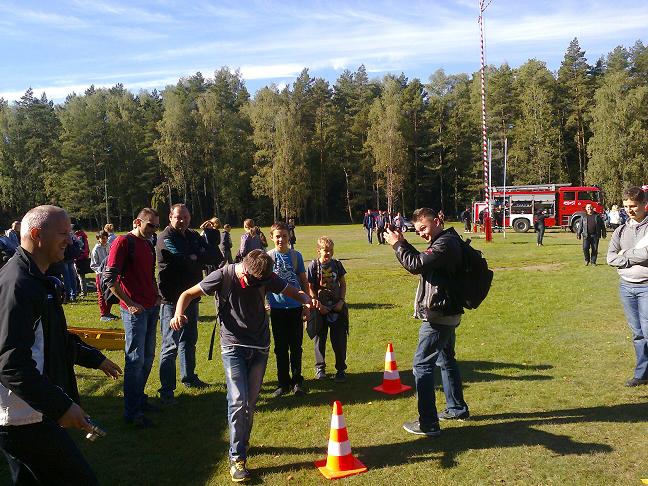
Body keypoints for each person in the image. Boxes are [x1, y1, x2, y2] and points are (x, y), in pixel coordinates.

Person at [0, 205, 122, 485]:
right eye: (63, 233)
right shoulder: (18, 285)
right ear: (36, 235)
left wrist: (95, 358)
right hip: (24, 416)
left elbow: (54, 337)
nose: (72, 239)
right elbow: (10, 365)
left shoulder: (37, 279)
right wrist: (61, 407)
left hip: (35, 410)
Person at [169, 249, 312, 482]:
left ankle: (242, 444)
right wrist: (178, 314)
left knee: (250, 403)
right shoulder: (222, 275)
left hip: (260, 346)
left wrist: (307, 300)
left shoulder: (266, 276)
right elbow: (188, 294)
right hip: (233, 345)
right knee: (237, 401)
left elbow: (291, 291)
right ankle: (237, 458)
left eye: (262, 284)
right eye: (254, 282)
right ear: (244, 270)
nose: (259, 286)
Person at [384, 207, 469, 437]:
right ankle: (457, 408)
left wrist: (397, 244)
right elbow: (423, 261)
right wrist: (403, 243)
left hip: (439, 316)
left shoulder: (445, 244)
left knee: (422, 366)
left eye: (424, 227)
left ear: (438, 221)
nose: (421, 233)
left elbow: (416, 265)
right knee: (446, 359)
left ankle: (429, 423)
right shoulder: (446, 241)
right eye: (418, 230)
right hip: (448, 313)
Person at [157, 204, 221, 404]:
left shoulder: (192, 235)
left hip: (192, 298)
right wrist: (196, 255)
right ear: (170, 217)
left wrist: (198, 253)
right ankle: (167, 391)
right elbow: (182, 260)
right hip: (171, 300)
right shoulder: (165, 237)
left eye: (185, 217)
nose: (182, 220)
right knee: (170, 346)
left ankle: (189, 378)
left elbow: (213, 255)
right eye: (178, 217)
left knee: (189, 340)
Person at [104, 207, 161, 427]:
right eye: (150, 225)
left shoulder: (148, 243)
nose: (154, 230)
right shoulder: (123, 242)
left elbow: (149, 274)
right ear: (138, 222)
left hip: (150, 307)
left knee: (147, 357)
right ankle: (132, 411)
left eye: (157, 226)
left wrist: (156, 295)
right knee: (135, 360)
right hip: (134, 311)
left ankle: (139, 399)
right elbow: (109, 279)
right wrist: (129, 303)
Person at [607, 186, 648, 387]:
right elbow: (610, 258)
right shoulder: (620, 230)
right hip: (626, 287)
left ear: (644, 204)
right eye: (626, 207)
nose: (629, 210)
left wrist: (624, 254)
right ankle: (642, 373)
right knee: (638, 334)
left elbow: (646, 253)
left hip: (646, 287)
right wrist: (632, 257)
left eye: (633, 206)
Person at [267, 221, 309, 397]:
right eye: (278, 236)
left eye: (284, 236)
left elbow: (304, 281)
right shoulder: (267, 257)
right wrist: (264, 303)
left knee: (296, 346)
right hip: (277, 309)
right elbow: (262, 284)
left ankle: (297, 381)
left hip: (295, 308)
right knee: (280, 348)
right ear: (271, 237)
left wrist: (306, 305)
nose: (281, 239)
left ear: (289, 236)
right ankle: (283, 383)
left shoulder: (296, 256)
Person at [307, 236, 349, 383]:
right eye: (325, 250)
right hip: (320, 309)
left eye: (331, 250)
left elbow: (343, 284)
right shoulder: (313, 266)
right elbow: (310, 287)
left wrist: (341, 301)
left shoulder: (337, 264)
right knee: (320, 339)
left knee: (339, 340)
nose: (329, 253)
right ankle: (320, 368)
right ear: (318, 250)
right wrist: (318, 304)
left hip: (337, 307)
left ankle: (341, 369)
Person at [90, 230, 117, 321]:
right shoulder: (96, 249)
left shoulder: (109, 246)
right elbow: (93, 265)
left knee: (110, 293)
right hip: (100, 275)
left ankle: (107, 312)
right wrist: (102, 270)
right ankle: (103, 314)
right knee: (101, 294)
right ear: (98, 239)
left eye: (106, 237)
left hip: (109, 274)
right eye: (102, 238)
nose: (104, 239)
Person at [73, 223, 91, 297]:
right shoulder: (83, 235)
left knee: (81, 276)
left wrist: (77, 257)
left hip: (80, 259)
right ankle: (81, 290)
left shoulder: (78, 236)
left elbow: (81, 248)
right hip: (84, 257)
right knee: (80, 276)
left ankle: (83, 292)